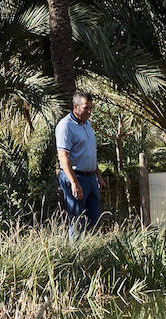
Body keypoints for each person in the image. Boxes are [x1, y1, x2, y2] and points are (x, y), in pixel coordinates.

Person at [55, 91, 106, 235]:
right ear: (75, 107)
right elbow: (63, 157)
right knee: (78, 222)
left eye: (91, 108)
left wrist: (99, 176)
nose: (89, 112)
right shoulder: (65, 126)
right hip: (76, 178)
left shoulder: (87, 124)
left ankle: (94, 252)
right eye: (86, 108)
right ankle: (78, 254)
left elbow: (89, 152)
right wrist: (74, 183)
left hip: (91, 178)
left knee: (95, 220)